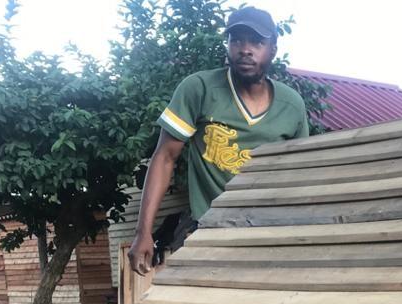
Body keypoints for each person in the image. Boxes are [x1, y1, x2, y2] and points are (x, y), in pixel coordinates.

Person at [128, 6, 309, 275]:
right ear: (227, 45)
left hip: (268, 229)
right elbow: (165, 157)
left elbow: (301, 173)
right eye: (236, 40)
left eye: (256, 41)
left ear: (272, 49)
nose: (245, 49)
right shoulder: (199, 88)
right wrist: (143, 232)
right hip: (207, 225)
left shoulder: (291, 105)